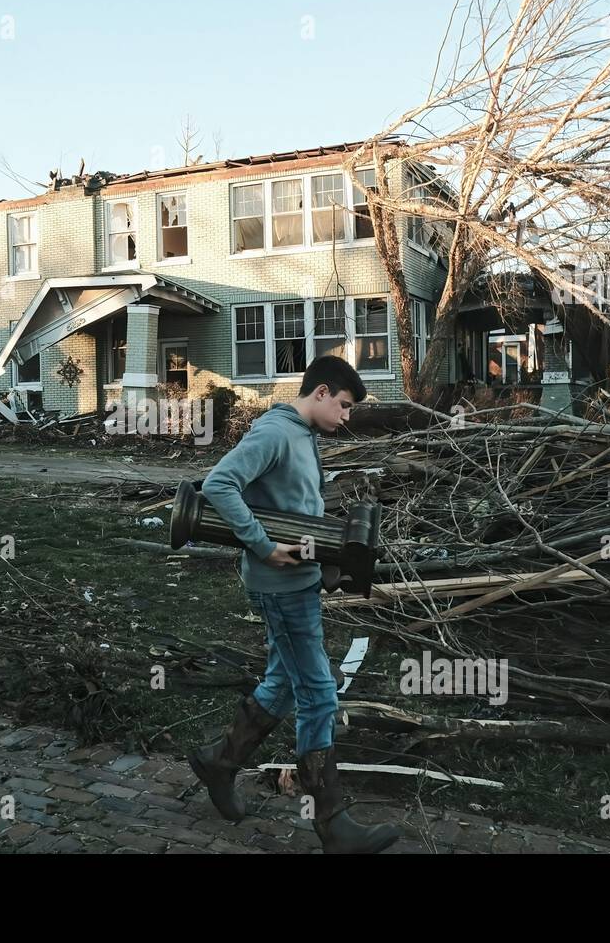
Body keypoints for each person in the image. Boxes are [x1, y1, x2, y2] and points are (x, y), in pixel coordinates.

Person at [188, 355, 400, 854]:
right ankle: (331, 822)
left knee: (283, 683)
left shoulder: (303, 436)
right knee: (319, 692)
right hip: (278, 587)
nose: (346, 417)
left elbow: (299, 510)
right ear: (321, 392)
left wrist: (328, 561)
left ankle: (220, 763)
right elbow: (219, 484)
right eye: (344, 406)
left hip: (299, 584)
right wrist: (262, 545)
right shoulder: (275, 433)